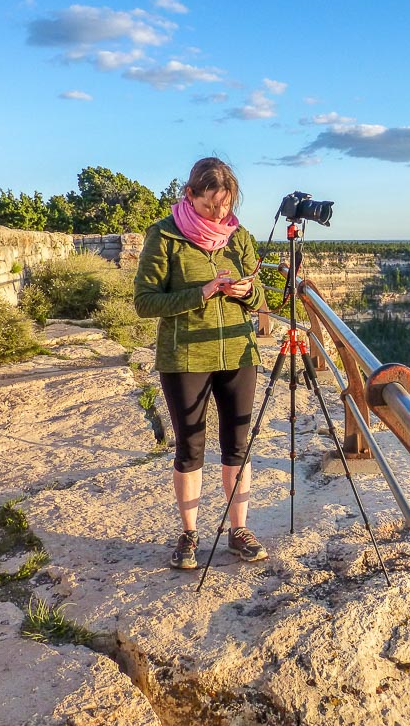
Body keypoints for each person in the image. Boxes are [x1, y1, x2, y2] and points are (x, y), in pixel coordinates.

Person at [134, 157, 268, 569]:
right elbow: (144, 302)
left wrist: (246, 291)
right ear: (189, 195)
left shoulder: (237, 236)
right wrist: (203, 292)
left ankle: (238, 530)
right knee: (190, 449)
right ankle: (189, 534)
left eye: (225, 206)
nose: (220, 214)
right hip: (185, 357)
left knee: (237, 446)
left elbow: (262, 299)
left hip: (238, 354)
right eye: (211, 206)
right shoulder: (165, 236)